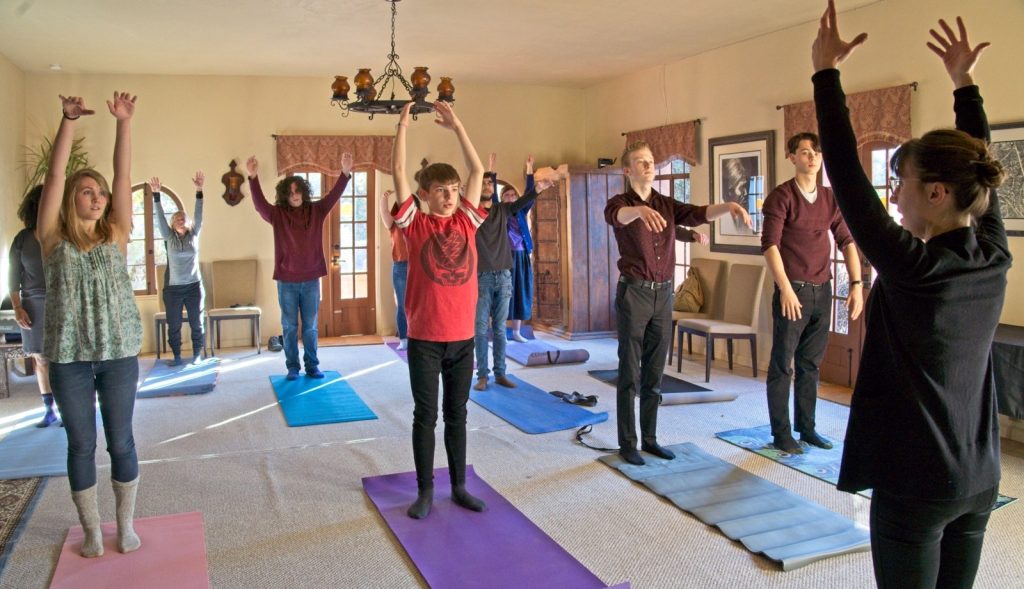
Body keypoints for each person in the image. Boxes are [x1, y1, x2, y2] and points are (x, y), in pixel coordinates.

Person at [813, 5, 1008, 587]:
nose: (894, 197)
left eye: (902, 184)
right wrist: (965, 85)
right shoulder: (993, 254)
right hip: (980, 479)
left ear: (939, 192)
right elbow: (979, 166)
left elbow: (846, 177)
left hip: (917, 483)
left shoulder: (915, 266)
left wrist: (825, 74)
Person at [36, 92, 144, 557]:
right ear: (70, 201)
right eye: (88, 191)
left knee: (120, 440)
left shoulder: (117, 233)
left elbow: (123, 176)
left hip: (118, 355)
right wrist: (68, 121)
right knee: (81, 444)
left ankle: (124, 524)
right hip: (68, 360)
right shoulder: (52, 238)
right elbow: (55, 174)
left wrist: (124, 124)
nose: (98, 197)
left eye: (100, 193)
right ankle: (92, 531)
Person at [605, 141, 751, 466]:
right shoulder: (621, 203)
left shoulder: (666, 204)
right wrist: (639, 211)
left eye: (651, 160)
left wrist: (728, 206)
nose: (648, 165)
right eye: (641, 161)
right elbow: (617, 216)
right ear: (628, 170)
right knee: (630, 371)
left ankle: (651, 439)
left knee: (655, 371)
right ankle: (628, 443)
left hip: (663, 295)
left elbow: (698, 214)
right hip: (634, 293)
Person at [392, 100, 488, 519]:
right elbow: (398, 173)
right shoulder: (416, 224)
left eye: (453, 191)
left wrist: (458, 125)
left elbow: (478, 171)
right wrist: (402, 126)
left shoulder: (467, 222)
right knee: (425, 415)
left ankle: (460, 486)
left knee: (457, 415)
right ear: (426, 196)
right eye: (440, 192)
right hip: (425, 339)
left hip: (463, 338)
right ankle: (426, 490)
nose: (449, 198)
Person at [761, 132, 863, 454]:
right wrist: (785, 289)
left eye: (816, 152)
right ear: (792, 157)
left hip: (823, 292)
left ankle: (807, 429)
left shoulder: (831, 198)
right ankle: (781, 433)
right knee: (783, 365)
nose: (812, 157)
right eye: (805, 152)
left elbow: (847, 241)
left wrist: (857, 286)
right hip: (794, 293)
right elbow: (770, 246)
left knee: (810, 365)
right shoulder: (781, 197)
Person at [246, 152, 353, 380]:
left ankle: (312, 366)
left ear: (304, 192)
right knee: (289, 326)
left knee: (311, 327)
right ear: (286, 195)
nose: (295, 196)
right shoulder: (277, 214)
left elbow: (334, 196)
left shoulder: (317, 210)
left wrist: (345, 173)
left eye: (298, 191)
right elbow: (259, 205)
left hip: (311, 279)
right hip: (287, 280)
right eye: (291, 192)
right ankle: (293, 367)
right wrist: (253, 177)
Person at [472, 154, 552, 391]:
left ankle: (500, 374)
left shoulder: (502, 210)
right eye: (483, 183)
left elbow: (522, 203)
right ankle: (482, 376)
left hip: (504, 276)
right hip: (481, 277)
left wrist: (536, 188)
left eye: (490, 183)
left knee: (498, 328)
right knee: (480, 329)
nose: (487, 186)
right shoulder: (471, 213)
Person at [8, 186, 59, 427]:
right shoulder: (22, 239)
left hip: (62, 301)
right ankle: (49, 410)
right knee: (42, 359)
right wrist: (18, 307)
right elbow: (13, 278)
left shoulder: (65, 234)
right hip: (32, 304)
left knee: (67, 359)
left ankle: (72, 409)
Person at [149, 173, 206, 366]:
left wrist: (199, 191)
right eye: (177, 219)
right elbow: (159, 218)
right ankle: (177, 356)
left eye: (183, 218)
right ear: (173, 224)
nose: (181, 220)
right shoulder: (169, 238)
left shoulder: (194, 235)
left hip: (193, 287)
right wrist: (156, 195)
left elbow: (199, 214)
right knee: (173, 325)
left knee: (196, 322)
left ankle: (197, 354)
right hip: (173, 289)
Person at [501, 156, 543, 344]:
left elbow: (529, 193)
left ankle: (516, 332)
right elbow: (493, 198)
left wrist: (529, 170)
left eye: (513, 196)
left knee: (520, 292)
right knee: (503, 293)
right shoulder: (499, 212)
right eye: (506, 196)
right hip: (504, 258)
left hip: (522, 256)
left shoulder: (522, 211)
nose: (510, 198)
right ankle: (501, 331)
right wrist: (493, 171)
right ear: (502, 199)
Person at [379, 189, 410, 350]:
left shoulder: (417, 223)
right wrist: (384, 198)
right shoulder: (393, 225)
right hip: (400, 267)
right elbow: (384, 211)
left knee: (418, 305)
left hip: (418, 267)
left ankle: (418, 337)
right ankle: (404, 338)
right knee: (402, 305)